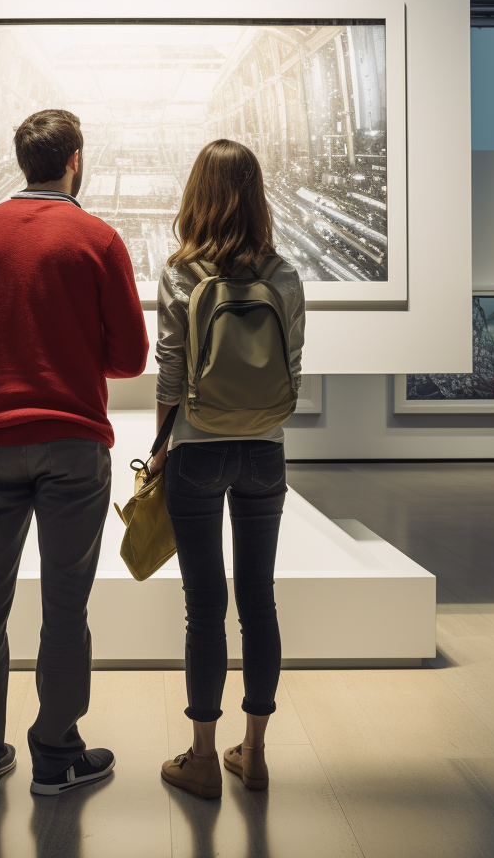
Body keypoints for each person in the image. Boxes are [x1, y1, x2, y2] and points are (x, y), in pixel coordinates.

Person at [0, 108, 148, 796]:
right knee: (65, 608)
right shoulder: (98, 239)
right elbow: (130, 356)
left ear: (20, 160)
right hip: (74, 445)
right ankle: (55, 759)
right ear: (75, 160)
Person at [152, 139, 305, 799]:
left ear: (198, 195)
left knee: (204, 607)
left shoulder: (180, 272)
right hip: (265, 449)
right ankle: (258, 753)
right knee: (259, 599)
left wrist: (161, 445)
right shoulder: (285, 274)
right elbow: (292, 364)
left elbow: (171, 368)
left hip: (197, 445)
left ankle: (204, 757)